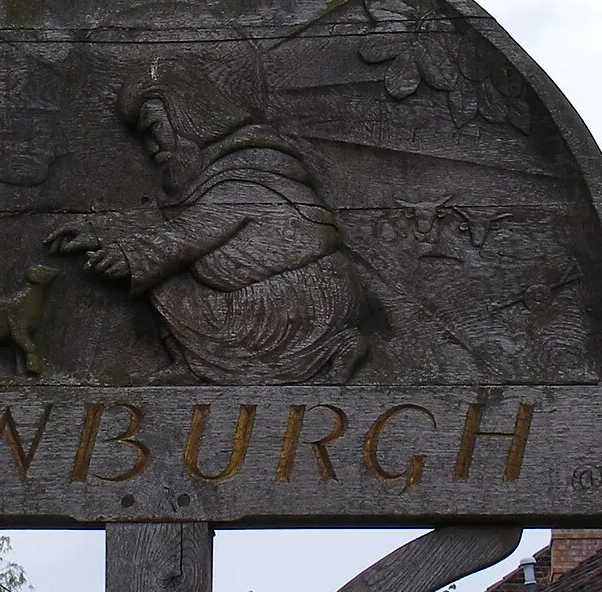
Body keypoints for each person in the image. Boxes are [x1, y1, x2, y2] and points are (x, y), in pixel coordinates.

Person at [48, 57, 367, 384]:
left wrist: (131, 256)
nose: (151, 147)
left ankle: (328, 346)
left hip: (302, 303)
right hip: (295, 297)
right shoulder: (219, 167)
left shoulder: (245, 172)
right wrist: (99, 229)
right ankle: (335, 347)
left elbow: (185, 234)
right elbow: (173, 218)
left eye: (154, 129)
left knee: (166, 279)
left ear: (186, 117)